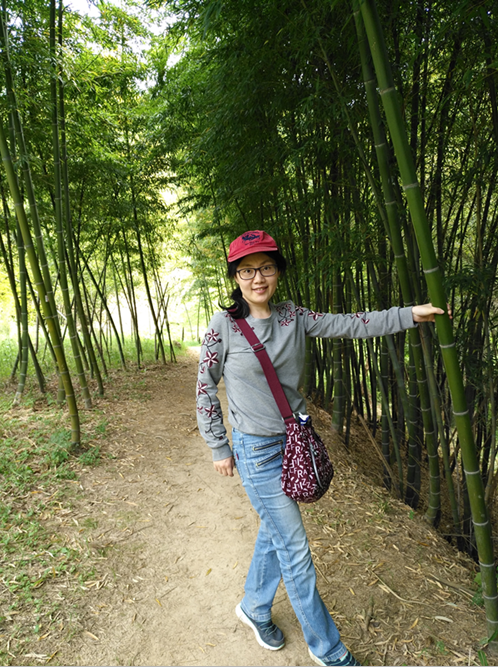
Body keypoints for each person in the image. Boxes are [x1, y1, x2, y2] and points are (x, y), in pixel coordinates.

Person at [196, 230, 446, 667]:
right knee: (294, 549)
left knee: (276, 532)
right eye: (247, 270)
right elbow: (204, 387)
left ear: (278, 271)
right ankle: (328, 649)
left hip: (294, 444)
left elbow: (352, 323)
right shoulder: (224, 326)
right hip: (255, 451)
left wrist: (408, 314)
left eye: (266, 268)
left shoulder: (293, 317)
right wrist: (218, 445)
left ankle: (253, 607)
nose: (258, 278)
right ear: (235, 277)